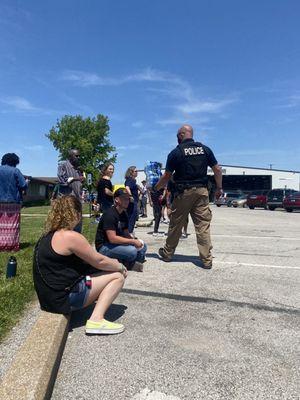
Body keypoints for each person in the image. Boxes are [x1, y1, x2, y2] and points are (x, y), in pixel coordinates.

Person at [33, 195, 127, 335]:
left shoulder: (47, 236)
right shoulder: (70, 236)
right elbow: (99, 261)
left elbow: (89, 264)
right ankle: (96, 320)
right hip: (63, 299)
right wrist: (119, 266)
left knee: (99, 272)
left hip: (48, 299)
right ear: (76, 214)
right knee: (117, 277)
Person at [155, 124, 223, 269]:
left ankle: (167, 253)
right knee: (202, 226)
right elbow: (217, 169)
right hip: (202, 192)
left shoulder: (176, 152)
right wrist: (219, 188)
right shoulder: (205, 149)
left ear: (181, 135)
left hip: (183, 193)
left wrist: (156, 187)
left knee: (176, 224)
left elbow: (167, 176)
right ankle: (206, 259)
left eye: (177, 136)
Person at [95, 188, 147, 272]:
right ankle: (126, 264)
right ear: (116, 199)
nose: (127, 201)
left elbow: (126, 233)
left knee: (143, 246)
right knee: (132, 251)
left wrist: (134, 240)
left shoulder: (123, 214)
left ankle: (125, 262)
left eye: (128, 198)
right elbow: (112, 239)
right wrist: (132, 242)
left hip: (115, 244)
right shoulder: (110, 214)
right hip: (105, 246)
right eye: (124, 198)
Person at [0, 153, 27, 252]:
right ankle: (11, 246)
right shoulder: (15, 171)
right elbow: (23, 185)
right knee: (12, 224)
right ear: (14, 161)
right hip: (13, 202)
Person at [57, 149, 85, 232]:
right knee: (68, 224)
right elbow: (62, 180)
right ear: (70, 156)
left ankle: (76, 240)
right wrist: (77, 178)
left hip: (77, 199)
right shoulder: (63, 165)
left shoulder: (77, 168)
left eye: (79, 156)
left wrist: (82, 178)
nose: (78, 157)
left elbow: (80, 182)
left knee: (78, 223)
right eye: (76, 156)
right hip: (67, 199)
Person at [124, 166, 139, 234]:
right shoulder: (130, 180)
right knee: (132, 218)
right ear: (131, 172)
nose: (137, 172)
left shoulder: (132, 180)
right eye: (135, 171)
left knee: (131, 217)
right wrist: (130, 196)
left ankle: (129, 233)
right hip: (132, 202)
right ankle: (129, 233)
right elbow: (127, 188)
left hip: (133, 201)